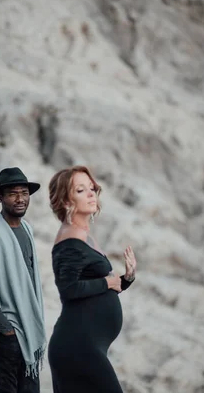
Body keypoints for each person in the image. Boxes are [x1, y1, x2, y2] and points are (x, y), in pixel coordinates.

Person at [47, 165, 137, 393]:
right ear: (66, 202)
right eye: (80, 190)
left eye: (92, 188)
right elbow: (69, 289)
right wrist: (109, 282)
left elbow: (95, 287)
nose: (90, 194)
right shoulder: (70, 237)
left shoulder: (83, 235)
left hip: (85, 346)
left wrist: (126, 279)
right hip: (77, 347)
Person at [0, 167, 47, 393]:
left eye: (24, 193)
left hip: (29, 327)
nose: (20, 199)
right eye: (13, 194)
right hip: (8, 331)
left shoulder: (27, 230)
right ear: (0, 198)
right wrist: (6, 329)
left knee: (30, 388)